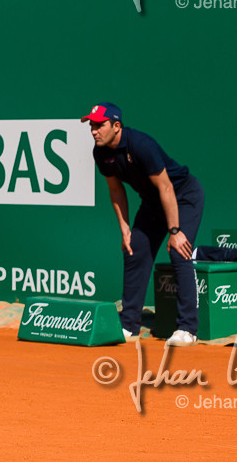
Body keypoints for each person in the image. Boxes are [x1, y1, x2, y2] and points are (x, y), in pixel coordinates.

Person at [85, 102, 203, 346]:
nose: (94, 130)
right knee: (134, 248)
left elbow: (166, 187)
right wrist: (125, 229)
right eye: (92, 125)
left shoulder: (141, 145)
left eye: (100, 125)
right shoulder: (100, 152)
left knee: (179, 251)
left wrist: (175, 231)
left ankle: (188, 328)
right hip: (152, 203)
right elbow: (115, 190)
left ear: (116, 126)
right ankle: (128, 324)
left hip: (182, 196)